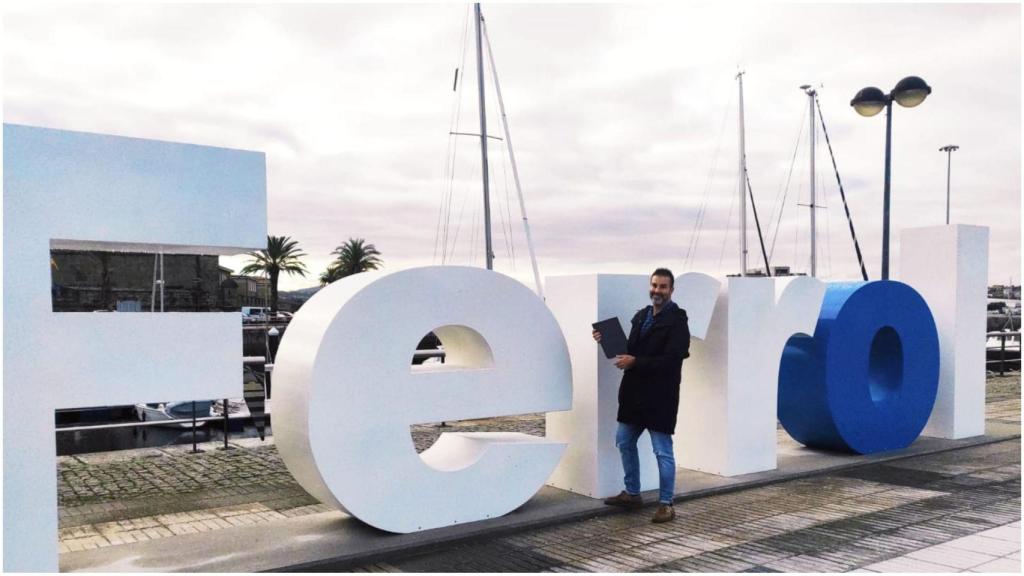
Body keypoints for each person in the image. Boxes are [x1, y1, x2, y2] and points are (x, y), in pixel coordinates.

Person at [592, 268, 690, 523]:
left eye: (663, 287)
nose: (657, 291)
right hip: (634, 394)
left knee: (662, 451)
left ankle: (667, 504)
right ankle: (633, 494)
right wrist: (606, 340)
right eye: (654, 286)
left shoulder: (678, 321)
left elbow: (671, 360)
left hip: (660, 396)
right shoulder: (641, 316)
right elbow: (630, 351)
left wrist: (636, 362)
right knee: (624, 441)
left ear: (671, 290)